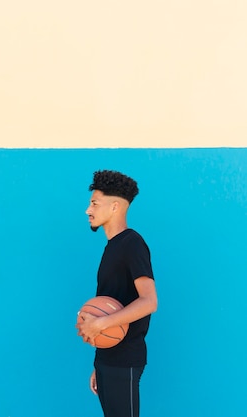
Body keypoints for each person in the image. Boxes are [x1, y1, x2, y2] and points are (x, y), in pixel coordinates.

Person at [76, 170, 158, 417]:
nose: (87, 210)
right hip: (109, 358)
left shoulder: (132, 243)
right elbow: (113, 301)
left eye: (94, 203)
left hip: (125, 359)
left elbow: (149, 301)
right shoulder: (112, 247)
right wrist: (98, 361)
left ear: (114, 207)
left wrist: (100, 323)